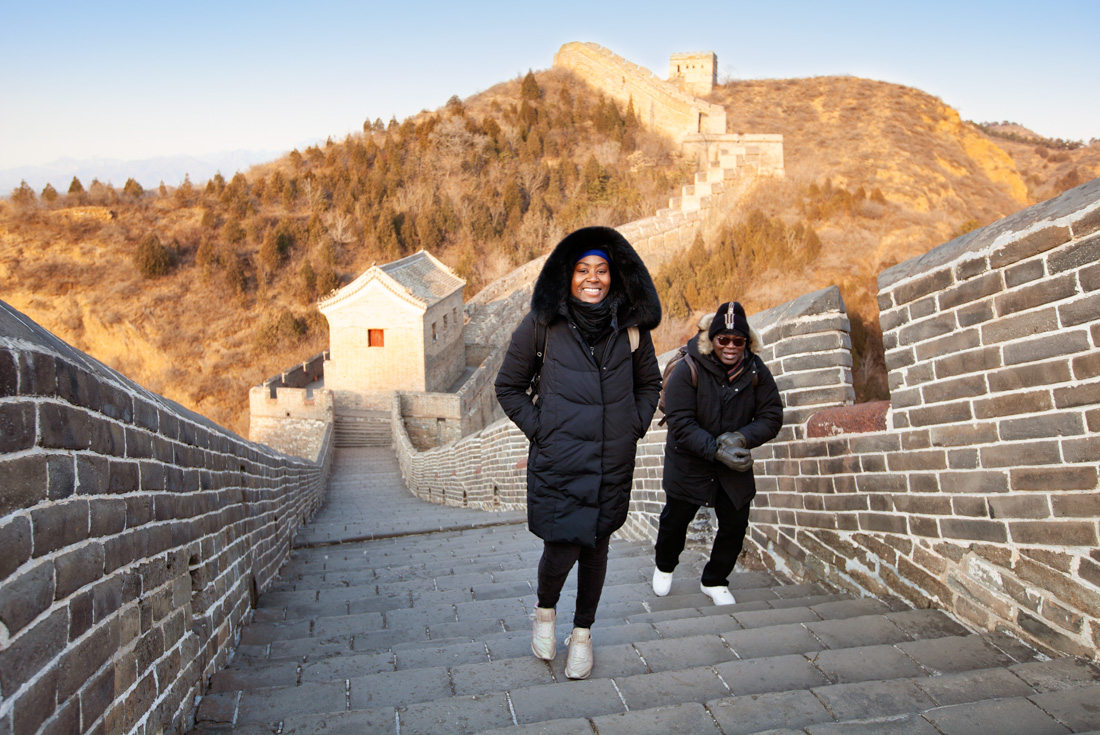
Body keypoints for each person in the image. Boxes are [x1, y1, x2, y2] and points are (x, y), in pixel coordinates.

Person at [495, 226, 662, 679]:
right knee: (559, 550)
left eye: (602, 269)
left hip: (611, 461)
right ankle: (545, 612)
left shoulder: (630, 328)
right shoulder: (541, 326)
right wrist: (541, 430)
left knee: (596, 550)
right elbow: (507, 386)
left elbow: (650, 383)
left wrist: (634, 424)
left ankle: (583, 634)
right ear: (566, 276)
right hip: (560, 461)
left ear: (615, 276)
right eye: (583, 269)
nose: (594, 278)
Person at [652, 301, 783, 605]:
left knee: (735, 525)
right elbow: (680, 424)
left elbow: (772, 415)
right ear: (711, 339)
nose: (731, 347)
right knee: (675, 521)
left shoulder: (755, 370)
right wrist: (715, 450)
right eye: (723, 339)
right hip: (688, 460)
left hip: (733, 463)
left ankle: (714, 579)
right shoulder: (689, 368)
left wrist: (741, 437)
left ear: (747, 342)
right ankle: (665, 565)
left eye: (738, 341)